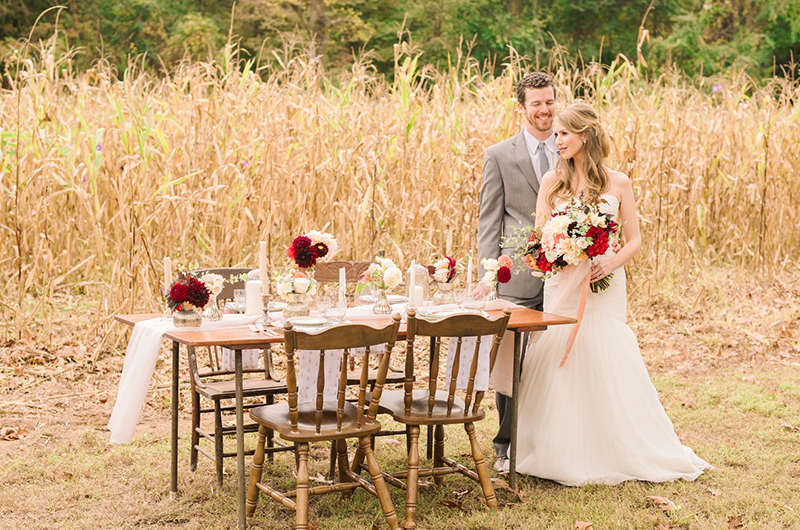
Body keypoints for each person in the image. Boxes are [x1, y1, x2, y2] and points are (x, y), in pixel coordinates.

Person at [511, 103, 711, 484]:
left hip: (604, 283)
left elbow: (634, 239)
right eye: (555, 135)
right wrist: (556, 253)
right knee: (559, 355)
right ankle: (555, 448)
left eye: (564, 134)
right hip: (563, 284)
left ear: (584, 135)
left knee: (603, 352)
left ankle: (614, 447)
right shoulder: (553, 182)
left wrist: (611, 262)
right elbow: (538, 238)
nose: (557, 141)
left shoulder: (618, 183)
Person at [477, 72, 560, 471]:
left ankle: (553, 440)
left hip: (567, 276)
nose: (544, 111)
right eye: (536, 104)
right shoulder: (499, 155)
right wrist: (487, 278)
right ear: (522, 107)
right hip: (518, 276)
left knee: (563, 358)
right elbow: (489, 223)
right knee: (513, 363)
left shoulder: (572, 146)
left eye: (549, 102)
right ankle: (504, 444)